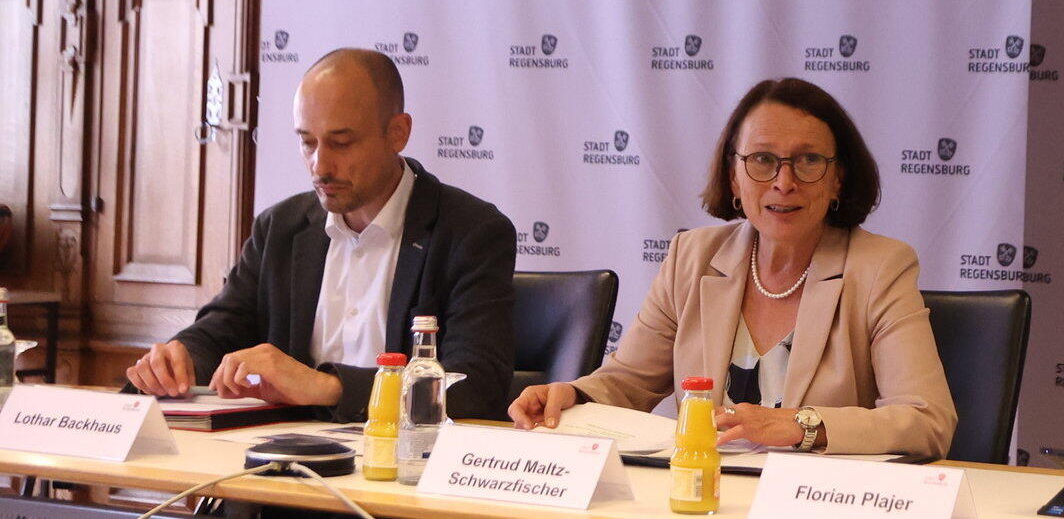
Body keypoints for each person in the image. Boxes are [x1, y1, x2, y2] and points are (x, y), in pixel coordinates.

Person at [509, 78, 956, 458]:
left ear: (838, 178)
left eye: (809, 160)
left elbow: (927, 420)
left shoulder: (880, 268)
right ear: (733, 178)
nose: (784, 182)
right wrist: (572, 395)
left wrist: (800, 426)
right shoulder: (692, 257)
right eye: (762, 160)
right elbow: (627, 383)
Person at [125, 48, 516, 421]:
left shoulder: (471, 234)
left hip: (403, 459)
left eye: (341, 143)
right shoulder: (279, 228)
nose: (320, 165)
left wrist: (327, 387)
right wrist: (181, 358)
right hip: (282, 457)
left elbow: (476, 387)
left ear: (398, 133)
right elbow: (219, 333)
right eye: (307, 141)